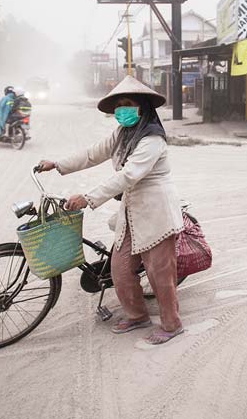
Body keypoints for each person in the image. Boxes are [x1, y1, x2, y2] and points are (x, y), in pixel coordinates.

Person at [37, 75, 185, 345]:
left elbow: (128, 176)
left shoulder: (153, 139)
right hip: (131, 210)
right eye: (119, 105)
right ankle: (138, 315)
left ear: (142, 107)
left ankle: (172, 324)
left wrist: (89, 197)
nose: (122, 110)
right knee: (119, 268)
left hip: (155, 211)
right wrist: (58, 164)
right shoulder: (123, 134)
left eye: (127, 104)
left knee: (159, 273)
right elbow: (93, 153)